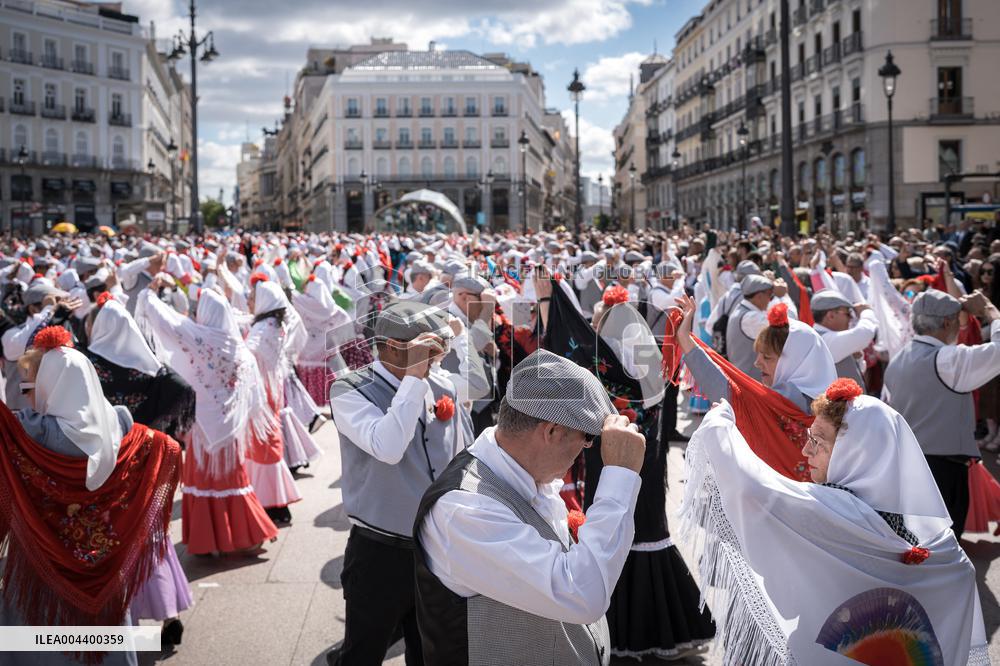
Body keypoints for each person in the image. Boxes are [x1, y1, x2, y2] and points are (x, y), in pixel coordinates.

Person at [679, 380, 988, 665]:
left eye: (819, 441)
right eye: (809, 437)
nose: (806, 450)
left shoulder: (834, 510)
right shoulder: (928, 537)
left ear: (858, 452)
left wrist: (719, 425)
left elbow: (752, 488)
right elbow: (960, 573)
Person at [414, 349, 645, 665]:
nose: (587, 449)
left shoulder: (522, 470)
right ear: (550, 431)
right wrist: (620, 478)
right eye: (587, 437)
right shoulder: (463, 509)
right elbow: (580, 593)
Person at [0, 327, 182, 665]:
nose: (26, 397)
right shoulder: (123, 430)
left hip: (40, 569)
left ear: (49, 388)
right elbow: (167, 448)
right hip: (102, 565)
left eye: (29, 388)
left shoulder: (26, 433)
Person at [327, 301, 472, 665]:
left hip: (436, 545)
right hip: (379, 552)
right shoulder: (349, 389)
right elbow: (387, 446)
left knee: (430, 653)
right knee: (363, 652)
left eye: (439, 349)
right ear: (392, 346)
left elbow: (461, 455)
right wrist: (413, 381)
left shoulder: (442, 384)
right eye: (428, 349)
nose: (437, 358)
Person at [137, 286, 279, 555]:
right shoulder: (236, 345)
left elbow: (171, 323)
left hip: (202, 423)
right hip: (229, 426)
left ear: (205, 313)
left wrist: (149, 296)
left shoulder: (201, 338)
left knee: (202, 478)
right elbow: (251, 385)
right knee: (232, 478)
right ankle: (244, 533)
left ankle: (208, 540)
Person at [672, 294, 836, 480]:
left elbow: (731, 395)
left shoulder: (785, 402)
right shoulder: (837, 404)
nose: (757, 364)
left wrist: (684, 338)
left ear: (797, 361)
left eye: (767, 357)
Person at [884, 289, 1000, 539]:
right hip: (942, 471)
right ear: (947, 323)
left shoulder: (899, 359)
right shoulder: (947, 359)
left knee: (918, 545)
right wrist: (990, 310)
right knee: (942, 547)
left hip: (908, 464)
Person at [244, 279, 305, 522]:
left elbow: (247, 353)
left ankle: (273, 503)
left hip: (262, 392)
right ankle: (275, 502)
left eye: (252, 298)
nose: (249, 301)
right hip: (271, 388)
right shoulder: (274, 323)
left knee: (263, 445)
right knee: (268, 442)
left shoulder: (264, 327)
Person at [811, 289, 878, 389]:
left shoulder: (825, 338)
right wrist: (866, 311)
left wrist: (857, 359)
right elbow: (865, 333)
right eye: (848, 314)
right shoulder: (823, 340)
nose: (851, 318)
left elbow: (852, 374)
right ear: (831, 316)